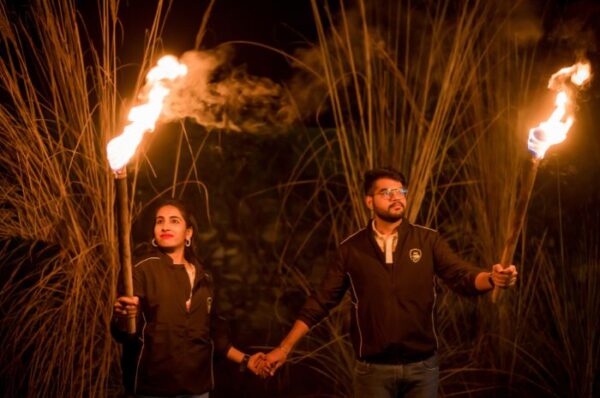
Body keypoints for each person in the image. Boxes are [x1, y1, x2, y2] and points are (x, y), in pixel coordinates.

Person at [264, 167, 518, 398]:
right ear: (369, 201)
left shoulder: (427, 241)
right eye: (387, 192)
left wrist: (493, 278)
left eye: (400, 191)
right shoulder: (351, 250)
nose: (396, 197)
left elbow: (462, 276)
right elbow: (320, 302)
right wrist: (284, 348)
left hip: (422, 368)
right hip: (373, 372)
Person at [112, 199, 266, 397]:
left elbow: (211, 334)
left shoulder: (205, 278)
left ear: (189, 232)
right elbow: (123, 333)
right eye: (160, 221)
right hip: (152, 389)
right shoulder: (140, 269)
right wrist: (124, 316)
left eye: (174, 221)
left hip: (197, 390)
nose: (165, 226)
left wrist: (246, 360)